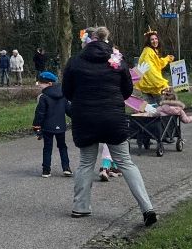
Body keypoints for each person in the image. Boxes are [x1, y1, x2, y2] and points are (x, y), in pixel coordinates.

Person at [61, 26, 158, 226]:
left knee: (86, 163)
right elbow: (127, 91)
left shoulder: (75, 61)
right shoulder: (118, 61)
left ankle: (80, 207)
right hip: (113, 119)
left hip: (85, 119)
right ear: (106, 40)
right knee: (126, 163)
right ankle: (147, 208)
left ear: (88, 41)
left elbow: (67, 92)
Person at [32, 71, 72, 178]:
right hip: (61, 126)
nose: (39, 85)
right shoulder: (63, 95)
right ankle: (66, 168)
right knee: (62, 147)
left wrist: (36, 127)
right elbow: (69, 110)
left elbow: (40, 113)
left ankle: (46, 170)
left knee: (47, 148)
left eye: (41, 83)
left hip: (47, 127)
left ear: (49, 84)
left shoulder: (43, 97)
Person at [134, 30, 175, 103]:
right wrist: (160, 82)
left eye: (156, 39)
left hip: (148, 85)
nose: (155, 41)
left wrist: (167, 59)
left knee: (152, 107)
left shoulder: (152, 51)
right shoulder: (148, 52)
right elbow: (150, 70)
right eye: (152, 39)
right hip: (152, 85)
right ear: (149, 42)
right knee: (164, 105)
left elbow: (157, 64)